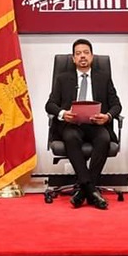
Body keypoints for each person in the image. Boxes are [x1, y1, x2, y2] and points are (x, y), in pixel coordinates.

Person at [45, 38, 122, 210]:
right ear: (73, 59)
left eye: (86, 53)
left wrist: (107, 116)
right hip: (72, 125)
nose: (82, 57)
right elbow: (49, 105)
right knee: (71, 136)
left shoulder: (103, 78)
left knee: (103, 138)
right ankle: (91, 190)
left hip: (96, 125)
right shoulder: (62, 78)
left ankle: (84, 190)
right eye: (78, 54)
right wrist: (63, 114)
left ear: (92, 56)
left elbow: (117, 104)